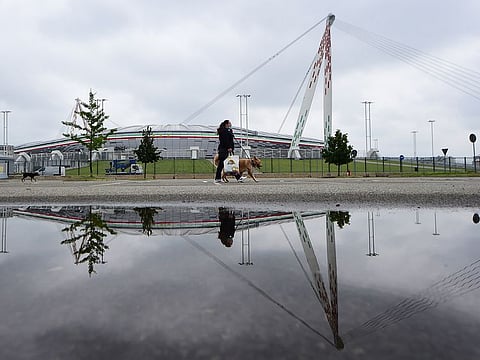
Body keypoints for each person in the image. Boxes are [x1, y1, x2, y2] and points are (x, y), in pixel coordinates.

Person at [214, 119, 246, 184]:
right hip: (224, 150)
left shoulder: (228, 130)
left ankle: (218, 178)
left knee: (224, 165)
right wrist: (229, 147)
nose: (230, 124)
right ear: (226, 124)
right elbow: (225, 140)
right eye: (229, 123)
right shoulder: (224, 131)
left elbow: (230, 139)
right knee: (227, 164)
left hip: (224, 149)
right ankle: (238, 177)